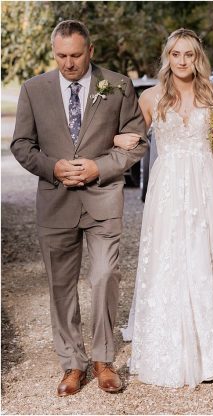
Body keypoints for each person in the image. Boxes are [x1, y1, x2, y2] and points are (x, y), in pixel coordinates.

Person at [119, 28, 213, 388]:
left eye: (189, 54)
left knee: (207, 256)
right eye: (176, 54)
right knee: (169, 255)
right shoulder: (151, 97)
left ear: (198, 58)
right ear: (168, 57)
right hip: (168, 185)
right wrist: (116, 139)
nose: (183, 61)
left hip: (205, 183)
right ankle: (169, 343)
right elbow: (134, 141)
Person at [10, 20, 147, 397]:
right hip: (55, 202)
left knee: (104, 275)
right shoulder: (34, 89)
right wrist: (52, 167)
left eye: (75, 55)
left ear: (90, 51)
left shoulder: (118, 85)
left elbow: (138, 143)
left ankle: (103, 359)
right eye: (61, 56)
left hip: (103, 198)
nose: (68, 63)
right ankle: (72, 363)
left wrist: (98, 167)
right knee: (60, 286)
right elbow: (21, 145)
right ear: (54, 52)